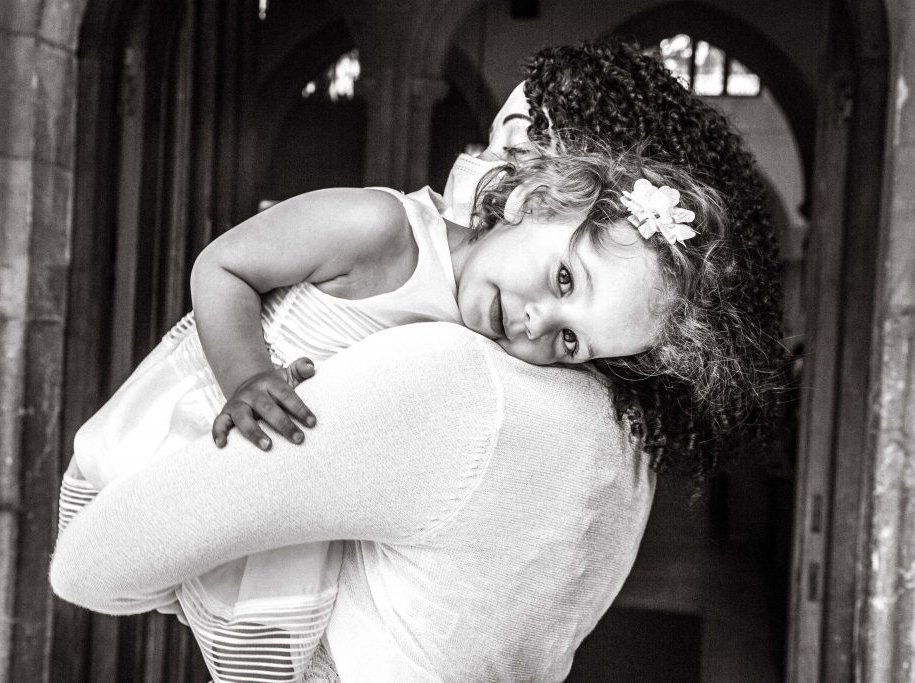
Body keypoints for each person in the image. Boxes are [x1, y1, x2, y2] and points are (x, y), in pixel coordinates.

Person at [52, 37, 788, 682]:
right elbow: (222, 268)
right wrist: (247, 373)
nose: (536, 324)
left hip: (285, 465)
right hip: (210, 405)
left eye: (572, 341)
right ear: (539, 195)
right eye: (565, 280)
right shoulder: (378, 230)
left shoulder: (482, 348)